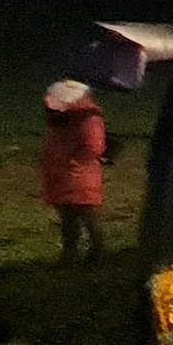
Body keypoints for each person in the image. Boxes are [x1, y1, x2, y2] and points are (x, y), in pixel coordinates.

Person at [40, 80, 107, 264]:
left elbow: (93, 146)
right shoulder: (60, 119)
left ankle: (97, 249)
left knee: (87, 214)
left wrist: (74, 161)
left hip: (78, 174)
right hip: (62, 173)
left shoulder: (88, 119)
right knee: (68, 218)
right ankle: (71, 252)